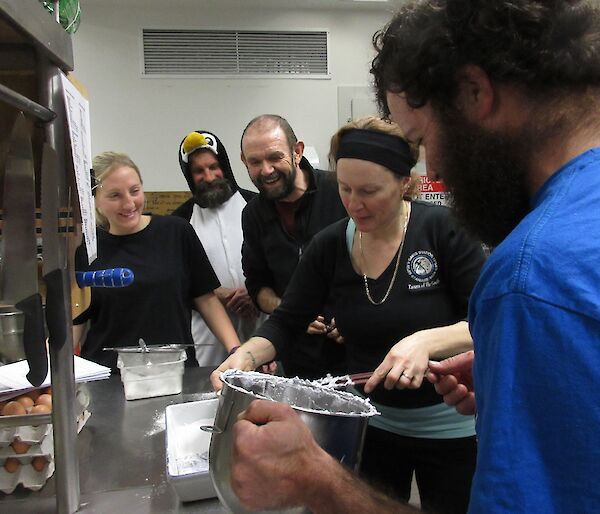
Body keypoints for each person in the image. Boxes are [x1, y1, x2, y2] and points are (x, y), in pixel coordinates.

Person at [227, 1, 600, 513]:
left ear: (475, 93)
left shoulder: (532, 277)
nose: (437, 166)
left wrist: (318, 481)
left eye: (425, 139)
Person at [214, 116, 486, 513]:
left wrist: (424, 342)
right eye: (344, 188)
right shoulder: (330, 246)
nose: (354, 203)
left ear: (404, 183)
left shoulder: (442, 231)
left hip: (452, 428)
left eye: (370, 191)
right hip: (369, 426)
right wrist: (246, 356)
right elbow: (286, 322)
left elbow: (489, 322)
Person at [73, 151, 241, 369]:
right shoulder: (89, 249)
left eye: (134, 191)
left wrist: (237, 350)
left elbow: (206, 299)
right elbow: (76, 320)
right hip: (109, 377)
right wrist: (53, 369)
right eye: (115, 196)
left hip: (176, 373)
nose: (129, 203)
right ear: (94, 201)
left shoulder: (176, 232)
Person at [239, 114, 348, 379]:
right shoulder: (253, 214)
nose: (266, 170)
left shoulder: (341, 192)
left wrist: (355, 315)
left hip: (356, 357)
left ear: (297, 151)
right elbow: (258, 284)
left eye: (275, 157)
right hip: (296, 362)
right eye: (255, 162)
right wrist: (289, 310)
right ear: (244, 162)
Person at [172, 130, 265, 366]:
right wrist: (215, 294)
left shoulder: (259, 206)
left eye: (214, 166)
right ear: (189, 176)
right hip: (207, 337)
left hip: (262, 321)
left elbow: (279, 261)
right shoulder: (180, 221)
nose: (209, 176)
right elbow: (176, 283)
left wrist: (256, 293)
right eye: (199, 171)